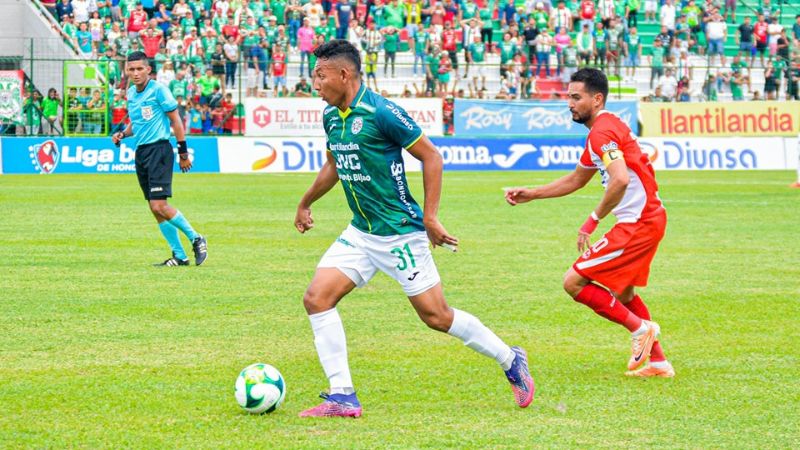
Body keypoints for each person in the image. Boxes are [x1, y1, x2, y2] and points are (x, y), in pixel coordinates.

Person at [295, 40, 535, 417]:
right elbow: (335, 165)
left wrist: (430, 217)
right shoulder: (331, 117)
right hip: (361, 233)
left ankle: (510, 358)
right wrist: (306, 201)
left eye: (320, 76)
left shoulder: (382, 112)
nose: (316, 84)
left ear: (344, 74)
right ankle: (342, 395)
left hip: (399, 234)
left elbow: (431, 155)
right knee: (317, 299)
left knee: (436, 316)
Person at [504, 68, 674, 378]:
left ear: (596, 99)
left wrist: (591, 221)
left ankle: (640, 330)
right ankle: (659, 363)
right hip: (648, 219)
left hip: (639, 222)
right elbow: (577, 179)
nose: (569, 103)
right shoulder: (604, 130)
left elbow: (620, 179)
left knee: (573, 282)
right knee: (623, 293)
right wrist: (534, 193)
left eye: (575, 97)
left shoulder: (602, 133)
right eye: (568, 96)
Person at [111, 52, 208, 267]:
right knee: (154, 208)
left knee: (160, 204)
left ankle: (196, 238)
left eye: (139, 69)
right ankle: (180, 255)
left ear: (148, 70)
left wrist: (183, 154)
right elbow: (136, 123)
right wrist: (122, 134)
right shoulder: (131, 94)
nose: (135, 73)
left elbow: (177, 121)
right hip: (142, 152)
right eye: (131, 69)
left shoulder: (159, 90)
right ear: (127, 71)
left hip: (159, 150)